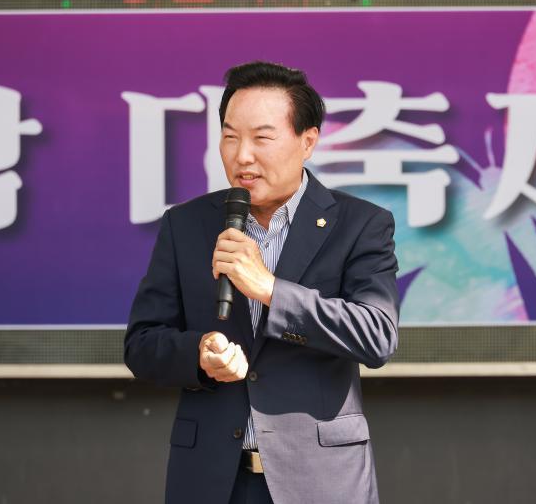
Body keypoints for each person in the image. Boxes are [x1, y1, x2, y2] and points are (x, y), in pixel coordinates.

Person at [125, 61, 400, 504]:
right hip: (212, 480)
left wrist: (271, 290)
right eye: (230, 136)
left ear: (308, 141)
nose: (242, 156)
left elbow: (376, 335)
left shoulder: (360, 224)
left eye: (262, 138)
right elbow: (142, 343)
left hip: (319, 482)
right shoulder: (187, 224)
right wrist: (199, 354)